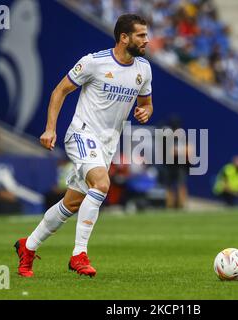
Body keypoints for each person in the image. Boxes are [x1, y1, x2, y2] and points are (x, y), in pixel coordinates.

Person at [14, 14, 153, 278]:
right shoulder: (94, 62)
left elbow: (147, 103)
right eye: (141, 35)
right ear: (124, 38)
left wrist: (145, 111)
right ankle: (79, 254)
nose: (147, 40)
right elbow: (60, 91)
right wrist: (50, 128)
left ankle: (27, 246)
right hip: (82, 134)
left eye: (146, 35)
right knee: (101, 185)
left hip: (108, 144)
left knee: (71, 204)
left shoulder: (143, 69)